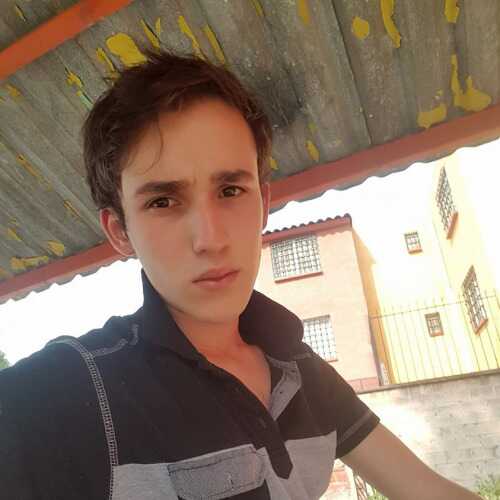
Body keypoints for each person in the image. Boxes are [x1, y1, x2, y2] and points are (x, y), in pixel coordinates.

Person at [0, 50, 480, 500]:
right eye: (163, 201)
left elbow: (429, 491)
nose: (210, 239)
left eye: (230, 190)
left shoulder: (301, 369)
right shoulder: (64, 392)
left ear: (263, 204)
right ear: (120, 231)